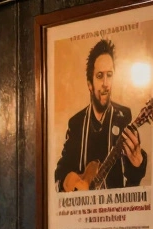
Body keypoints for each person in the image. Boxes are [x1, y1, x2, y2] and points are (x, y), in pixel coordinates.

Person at [53, 38, 148, 191]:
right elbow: (61, 170)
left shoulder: (124, 116)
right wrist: (73, 182)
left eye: (109, 75)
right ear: (89, 85)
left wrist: (138, 164)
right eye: (99, 76)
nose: (105, 83)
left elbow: (132, 178)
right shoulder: (76, 123)